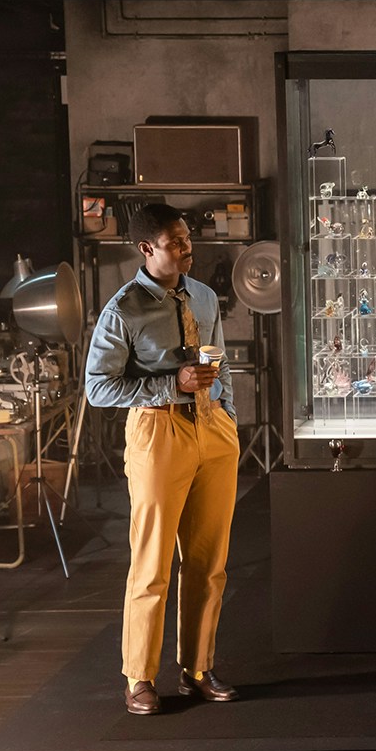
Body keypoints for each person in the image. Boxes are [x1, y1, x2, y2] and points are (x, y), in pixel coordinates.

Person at [85, 203, 240, 715]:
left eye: (187, 238)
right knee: (151, 564)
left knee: (209, 563)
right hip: (159, 432)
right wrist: (167, 383)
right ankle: (138, 678)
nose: (187, 248)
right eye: (175, 243)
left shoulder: (203, 295)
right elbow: (97, 388)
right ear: (145, 249)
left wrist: (227, 415)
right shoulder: (122, 309)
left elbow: (219, 359)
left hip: (211, 429)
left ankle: (197, 669)